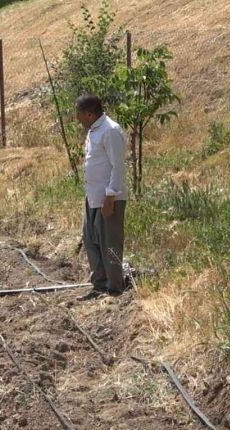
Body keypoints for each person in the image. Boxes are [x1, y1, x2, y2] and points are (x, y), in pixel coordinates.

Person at [75, 95, 128, 301]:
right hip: (92, 196)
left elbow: (118, 166)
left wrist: (110, 196)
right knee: (91, 240)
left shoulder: (111, 131)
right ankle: (99, 285)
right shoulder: (94, 130)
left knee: (110, 242)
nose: (77, 118)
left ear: (89, 114)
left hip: (108, 198)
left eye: (79, 114)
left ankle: (115, 288)